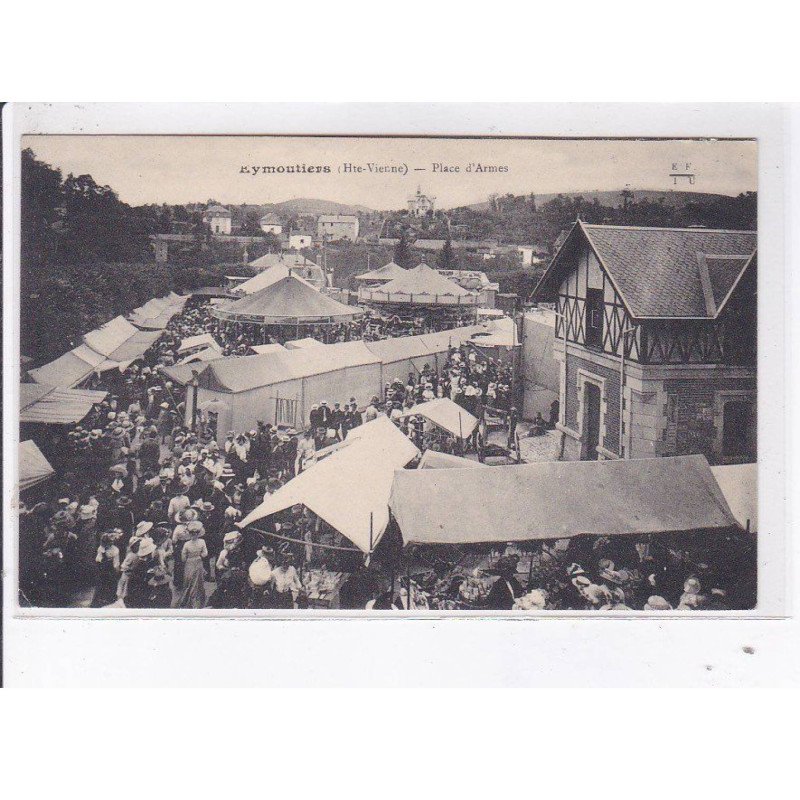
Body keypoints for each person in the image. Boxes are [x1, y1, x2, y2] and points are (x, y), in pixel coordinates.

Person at [177, 523, 208, 609]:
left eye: (195, 533)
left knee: (191, 580)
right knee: (195, 581)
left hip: (191, 562)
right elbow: (205, 553)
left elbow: (183, 557)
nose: (194, 535)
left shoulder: (187, 544)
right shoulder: (201, 542)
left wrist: (189, 558)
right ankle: (195, 600)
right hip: (196, 561)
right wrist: (200, 556)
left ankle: (190, 600)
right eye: (192, 533)